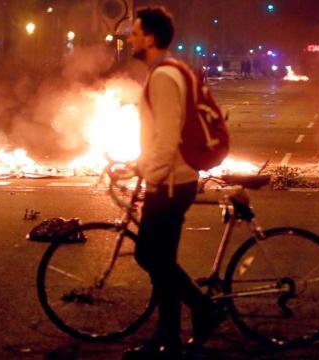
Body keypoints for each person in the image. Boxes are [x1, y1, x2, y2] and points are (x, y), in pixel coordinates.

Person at [124, 6, 225, 360]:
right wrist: (140, 165)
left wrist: (148, 173)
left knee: (151, 256)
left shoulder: (164, 77)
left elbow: (167, 139)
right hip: (172, 179)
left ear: (149, 38)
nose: (130, 38)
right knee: (161, 261)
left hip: (169, 184)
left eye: (135, 33)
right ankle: (169, 338)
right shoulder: (172, 70)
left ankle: (199, 313)